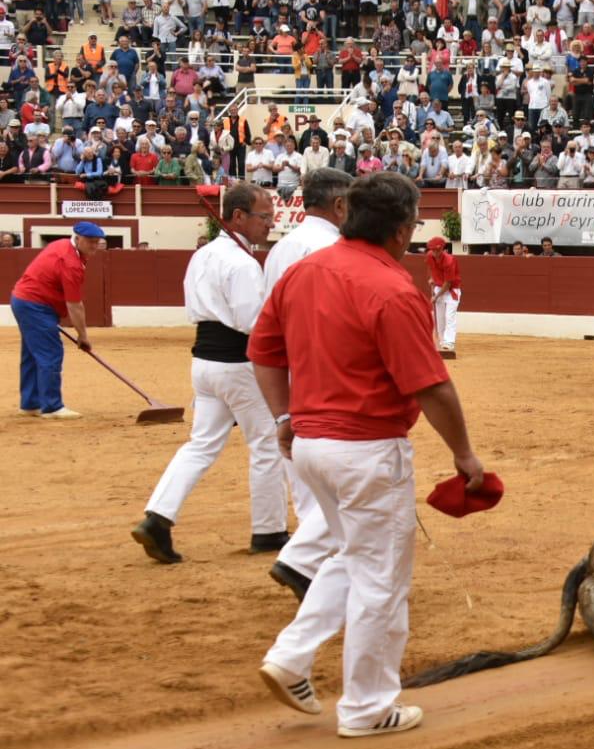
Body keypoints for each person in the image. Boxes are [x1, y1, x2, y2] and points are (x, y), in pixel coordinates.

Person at [250, 171, 486, 739]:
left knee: (352, 557)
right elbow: (431, 386)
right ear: (401, 231)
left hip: (309, 446)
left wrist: (283, 417)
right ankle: (367, 707)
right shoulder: (392, 288)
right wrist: (464, 455)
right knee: (381, 579)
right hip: (367, 450)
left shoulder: (304, 271)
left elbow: (263, 351)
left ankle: (291, 655)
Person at [132, 184, 287, 564]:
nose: (270, 224)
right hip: (240, 365)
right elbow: (253, 322)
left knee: (200, 444)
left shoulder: (202, 255)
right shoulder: (243, 263)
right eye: (264, 217)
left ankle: (158, 517)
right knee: (267, 445)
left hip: (204, 363)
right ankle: (269, 531)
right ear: (238, 217)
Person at [261, 168, 353, 601]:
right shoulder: (334, 250)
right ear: (340, 205)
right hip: (324, 374)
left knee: (305, 478)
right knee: (348, 478)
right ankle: (304, 561)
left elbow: (265, 322)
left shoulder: (283, 247)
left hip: (284, 368)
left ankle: (312, 566)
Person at [8, 221, 99, 418]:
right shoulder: (71, 263)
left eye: (97, 241)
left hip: (26, 301)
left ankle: (30, 404)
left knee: (32, 353)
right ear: (78, 238)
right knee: (50, 353)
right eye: (90, 241)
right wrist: (82, 336)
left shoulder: (61, 245)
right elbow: (74, 305)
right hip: (36, 305)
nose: (94, 245)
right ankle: (51, 406)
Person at [425, 237, 462, 354]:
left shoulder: (449, 261)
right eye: (433, 250)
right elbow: (431, 267)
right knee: (439, 317)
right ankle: (442, 341)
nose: (435, 253)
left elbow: (448, 283)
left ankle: (449, 342)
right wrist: (432, 278)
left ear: (442, 249)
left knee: (449, 316)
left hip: (451, 290)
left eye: (438, 250)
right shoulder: (429, 256)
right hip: (438, 287)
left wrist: (436, 296)